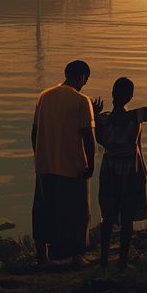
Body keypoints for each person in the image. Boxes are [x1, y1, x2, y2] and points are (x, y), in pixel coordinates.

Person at [30, 60, 98, 266]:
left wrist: (40, 155)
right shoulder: (81, 100)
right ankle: (76, 256)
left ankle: (43, 256)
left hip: (45, 165)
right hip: (72, 166)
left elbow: (34, 132)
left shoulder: (44, 96)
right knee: (76, 213)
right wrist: (91, 164)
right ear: (82, 77)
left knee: (43, 211)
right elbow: (88, 136)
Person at [95, 76, 147, 268]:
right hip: (130, 170)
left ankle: (103, 259)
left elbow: (100, 140)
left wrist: (94, 114)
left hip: (109, 169)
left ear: (112, 94)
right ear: (130, 96)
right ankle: (122, 261)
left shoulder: (103, 119)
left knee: (107, 217)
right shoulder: (135, 116)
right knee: (127, 219)